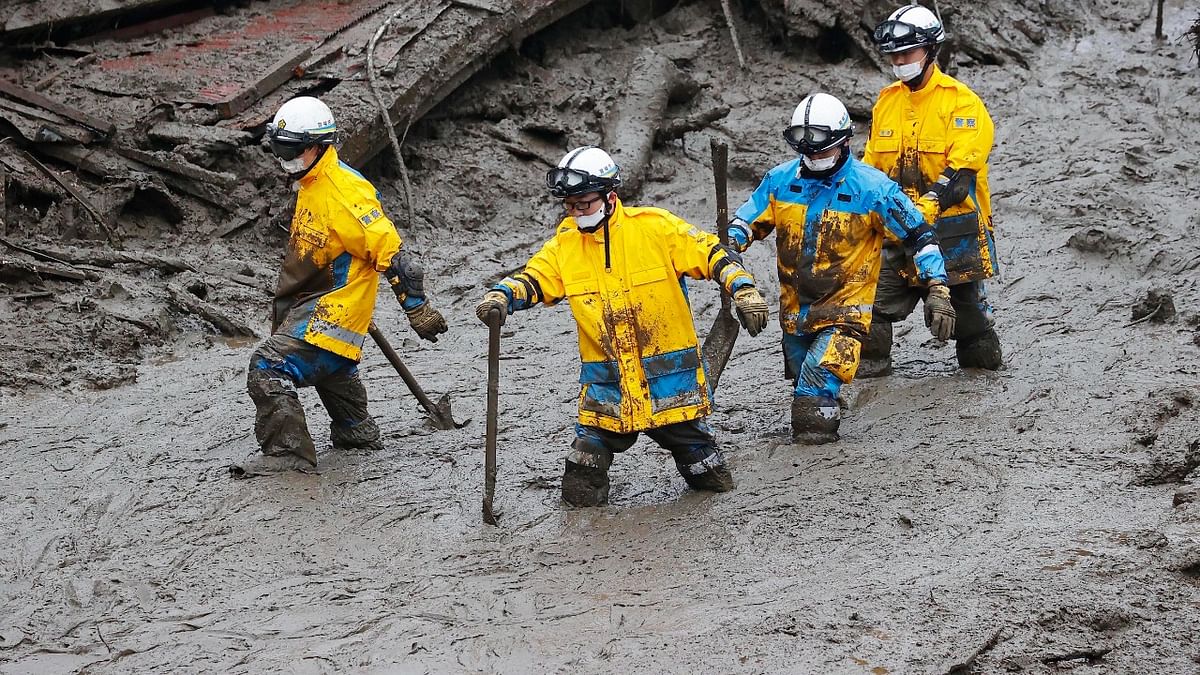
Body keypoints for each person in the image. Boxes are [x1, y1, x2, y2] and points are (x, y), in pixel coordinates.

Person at [474, 146, 770, 506]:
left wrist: (744, 289)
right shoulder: (565, 246)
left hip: (670, 389)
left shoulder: (656, 228)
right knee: (580, 482)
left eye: (584, 204)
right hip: (608, 392)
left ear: (609, 196)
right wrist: (502, 296)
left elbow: (712, 254)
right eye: (571, 206)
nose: (577, 212)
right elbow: (533, 279)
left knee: (707, 477)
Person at [727, 92, 952, 444]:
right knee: (805, 382)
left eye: (821, 148)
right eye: (805, 148)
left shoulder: (873, 188)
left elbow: (920, 236)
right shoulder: (780, 180)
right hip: (795, 312)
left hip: (846, 312)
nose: (813, 156)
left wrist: (938, 288)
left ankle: (812, 476)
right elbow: (745, 222)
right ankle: (827, 405)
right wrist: (727, 248)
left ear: (844, 141)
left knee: (811, 408)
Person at [241, 96, 447, 472]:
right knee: (333, 368)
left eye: (294, 151)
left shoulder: (346, 194)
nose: (286, 160)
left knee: (267, 366)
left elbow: (395, 255)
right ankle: (356, 431)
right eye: (280, 149)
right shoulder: (312, 179)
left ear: (320, 146)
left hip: (327, 314)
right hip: (319, 306)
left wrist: (417, 308)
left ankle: (289, 457)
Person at [860, 3, 1002, 376]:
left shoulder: (962, 102)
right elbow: (870, 173)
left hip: (954, 233)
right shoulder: (886, 102)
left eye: (907, 52)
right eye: (893, 54)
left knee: (973, 332)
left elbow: (959, 179)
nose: (899, 61)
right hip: (895, 234)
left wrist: (921, 211)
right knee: (869, 307)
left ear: (931, 50)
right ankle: (871, 380)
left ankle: (978, 390)